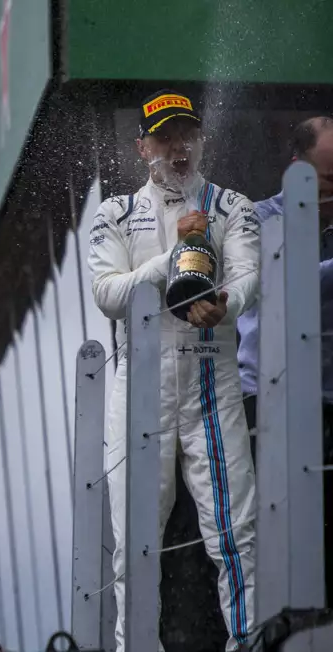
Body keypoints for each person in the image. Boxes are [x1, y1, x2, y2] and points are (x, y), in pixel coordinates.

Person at [87, 89, 260, 652]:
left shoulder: (233, 205)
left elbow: (248, 276)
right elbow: (107, 294)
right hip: (139, 388)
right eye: (163, 136)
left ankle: (249, 644)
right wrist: (171, 258)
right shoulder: (114, 212)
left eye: (185, 133)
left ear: (200, 140)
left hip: (213, 378)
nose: (176, 146)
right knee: (134, 540)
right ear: (142, 148)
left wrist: (225, 304)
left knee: (237, 533)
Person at [237, 115, 333, 601]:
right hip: (268, 409)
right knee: (277, 545)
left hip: (328, 407)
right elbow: (286, 281)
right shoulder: (253, 222)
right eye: (329, 182)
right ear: (296, 169)